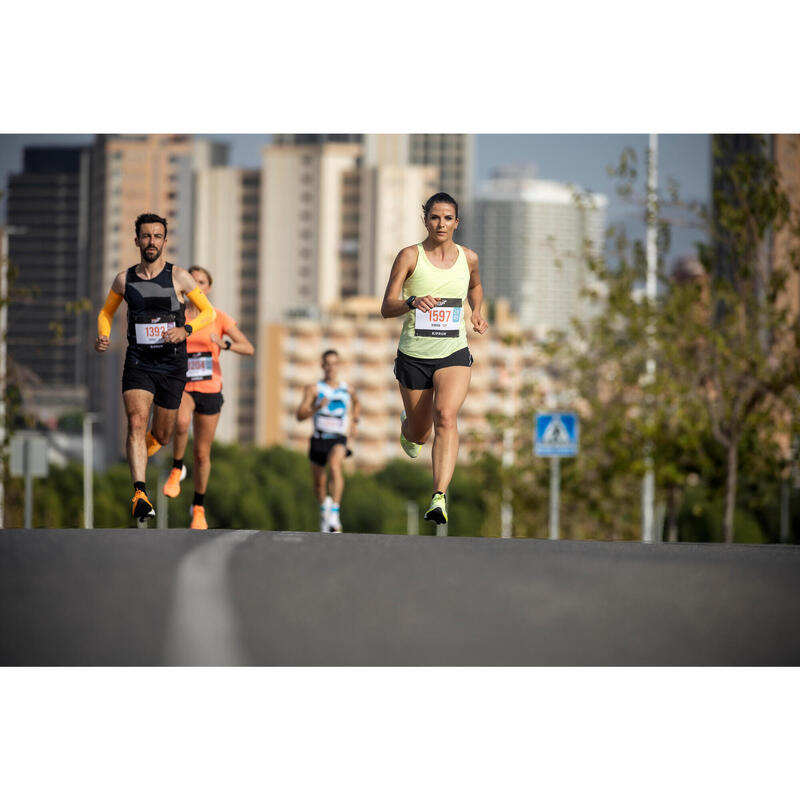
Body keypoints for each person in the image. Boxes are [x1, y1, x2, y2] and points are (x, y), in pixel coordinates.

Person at [95, 213, 215, 522]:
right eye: (146, 236)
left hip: (172, 365)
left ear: (164, 241)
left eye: (157, 236)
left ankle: (150, 447)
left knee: (162, 434)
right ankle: (139, 493)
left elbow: (208, 312)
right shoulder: (124, 279)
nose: (151, 242)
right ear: (136, 240)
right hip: (138, 362)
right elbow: (106, 312)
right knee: (136, 422)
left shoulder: (180, 277)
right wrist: (104, 335)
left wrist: (185, 331)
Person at [380, 192, 488, 526]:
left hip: (453, 351)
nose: (441, 224)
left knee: (446, 416)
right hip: (414, 355)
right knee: (419, 434)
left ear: (457, 222)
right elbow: (387, 307)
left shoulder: (468, 258)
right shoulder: (410, 256)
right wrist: (412, 301)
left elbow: (476, 287)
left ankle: (439, 496)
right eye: (434, 217)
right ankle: (408, 425)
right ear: (425, 219)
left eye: (448, 218)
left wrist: (477, 313)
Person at [161, 266, 255, 529]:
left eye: (202, 282)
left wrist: (224, 344)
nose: (197, 286)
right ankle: (177, 468)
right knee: (180, 423)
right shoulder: (176, 315)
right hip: (182, 383)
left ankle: (199, 507)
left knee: (202, 454)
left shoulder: (217, 317)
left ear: (208, 288)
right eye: (193, 281)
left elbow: (248, 348)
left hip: (210, 387)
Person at [296, 350, 360, 532]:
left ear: (339, 366)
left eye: (334, 363)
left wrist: (354, 422)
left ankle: (335, 512)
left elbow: (357, 403)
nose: (331, 367)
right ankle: (324, 509)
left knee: (334, 465)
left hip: (338, 438)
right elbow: (300, 415)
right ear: (322, 366)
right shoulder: (314, 389)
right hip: (318, 438)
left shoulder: (348, 389)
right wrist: (316, 407)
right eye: (327, 364)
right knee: (319, 483)